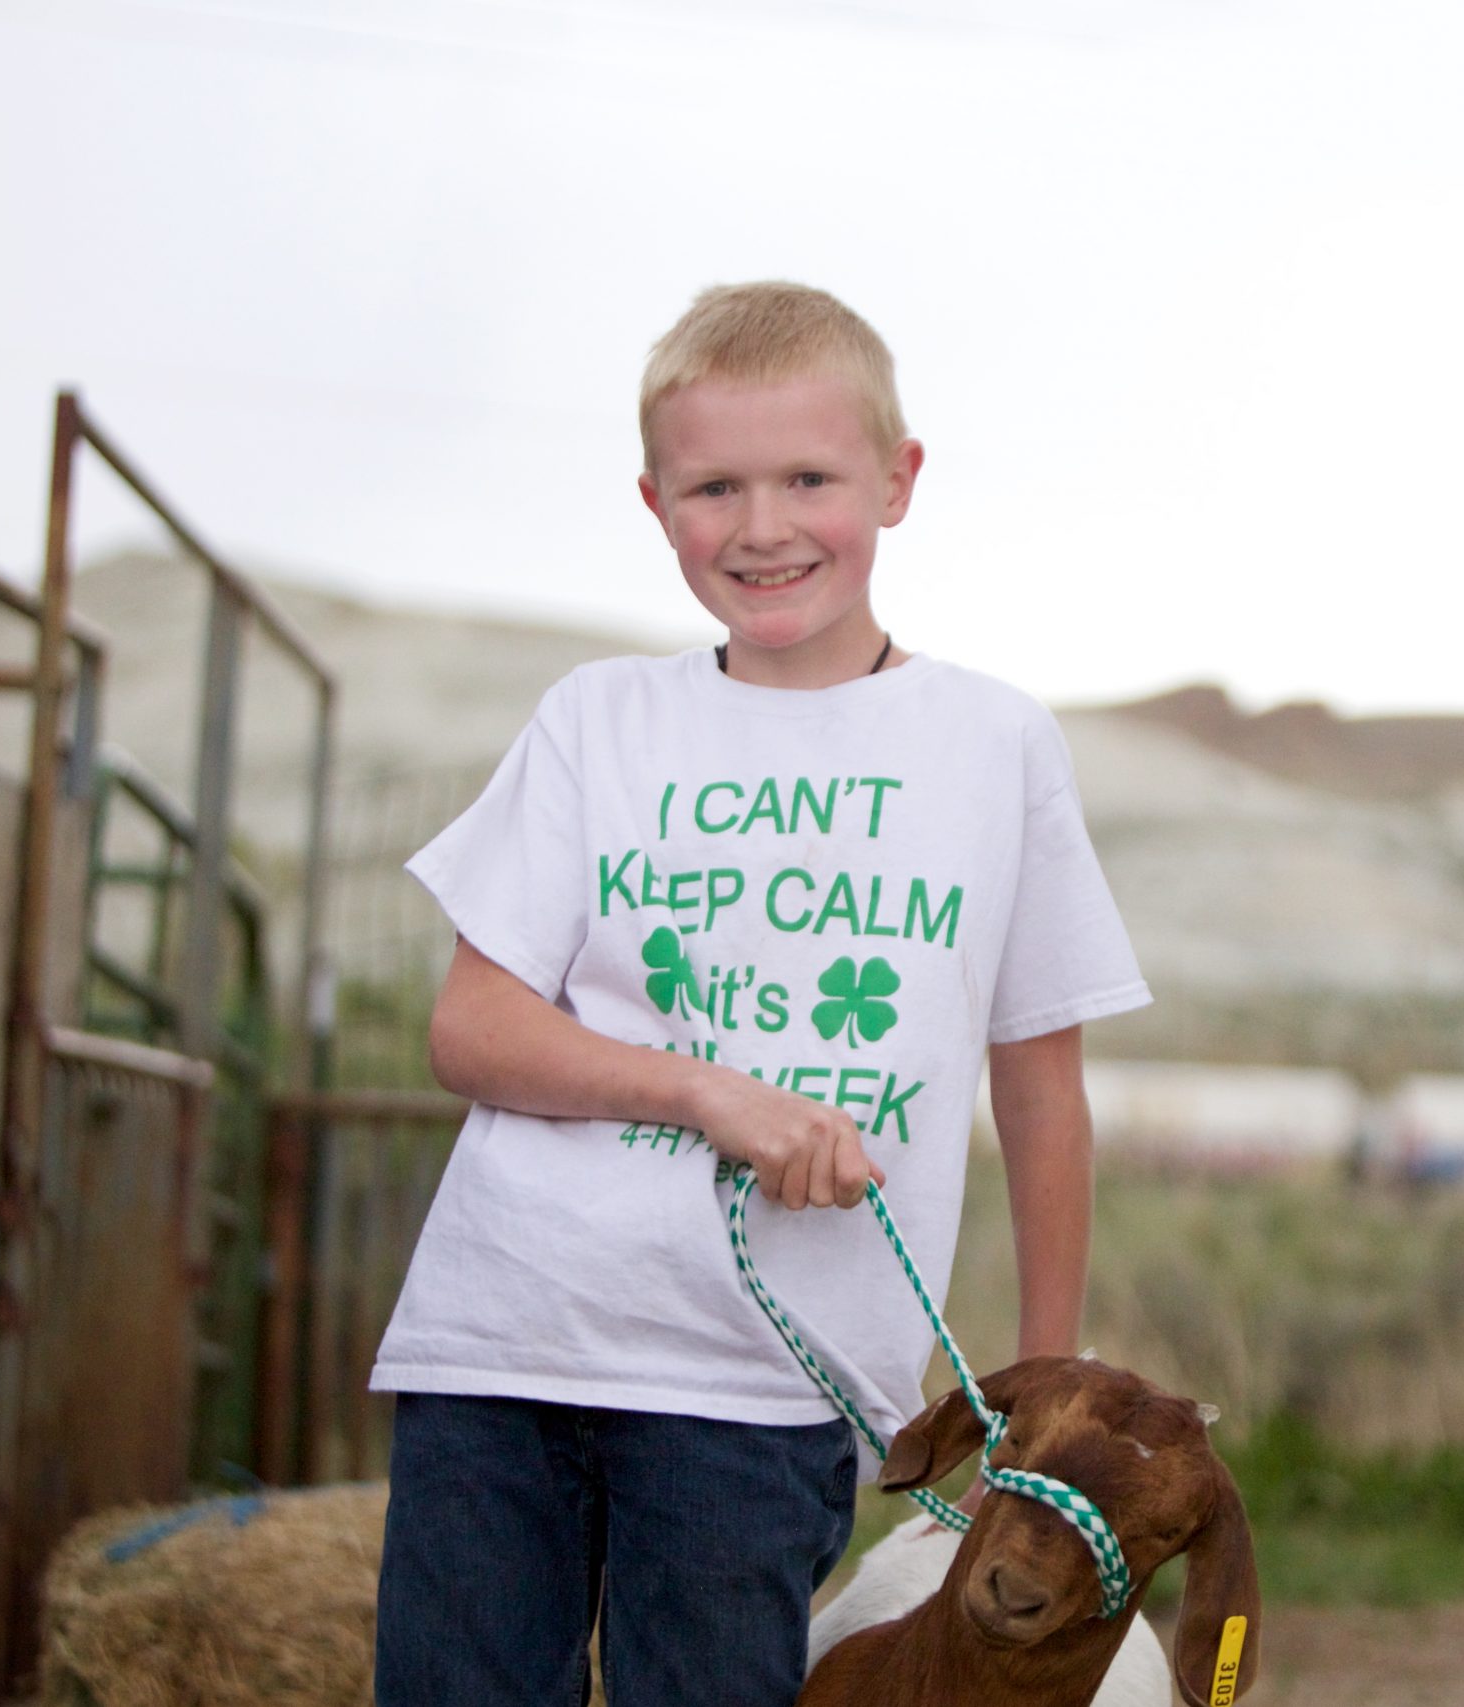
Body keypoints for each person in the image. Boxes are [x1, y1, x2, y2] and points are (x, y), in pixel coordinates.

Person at [370, 281, 1149, 1707]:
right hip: (508, 1339)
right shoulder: (599, 720)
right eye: (714, 487)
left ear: (899, 483)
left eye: (808, 478)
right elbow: (469, 1028)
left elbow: (1040, 1087)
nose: (762, 526)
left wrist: (1048, 1376)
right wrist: (707, 1093)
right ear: (656, 500)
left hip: (764, 1386)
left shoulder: (991, 745)